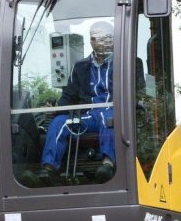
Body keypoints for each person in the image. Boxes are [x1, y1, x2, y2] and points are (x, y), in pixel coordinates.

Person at [23, 21, 116, 187]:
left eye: (104, 37)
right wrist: (57, 108)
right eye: (95, 37)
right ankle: (48, 169)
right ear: (91, 41)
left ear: (112, 39)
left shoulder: (127, 63)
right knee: (60, 122)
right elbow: (69, 95)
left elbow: (138, 91)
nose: (99, 41)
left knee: (108, 118)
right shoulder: (80, 67)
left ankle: (108, 165)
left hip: (116, 112)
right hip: (89, 115)